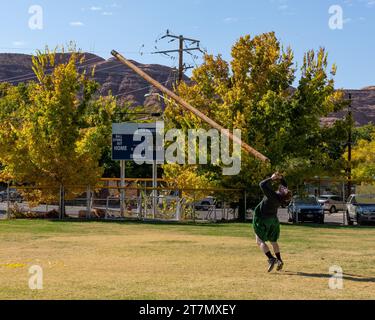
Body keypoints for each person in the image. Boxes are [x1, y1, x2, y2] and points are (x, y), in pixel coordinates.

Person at [253, 172, 292, 272]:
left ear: (281, 193)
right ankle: (279, 260)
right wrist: (280, 177)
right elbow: (284, 185)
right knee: (273, 241)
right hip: (273, 220)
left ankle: (271, 258)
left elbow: (261, 184)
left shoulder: (273, 195)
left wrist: (271, 178)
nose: (284, 188)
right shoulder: (281, 198)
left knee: (259, 240)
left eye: (284, 189)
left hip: (262, 219)